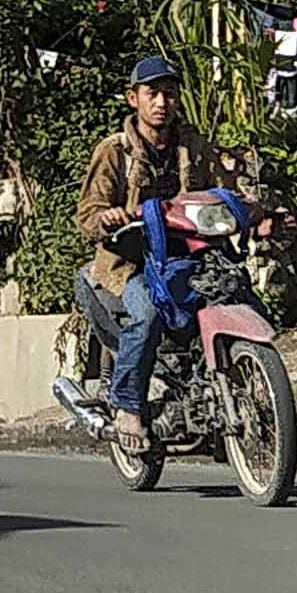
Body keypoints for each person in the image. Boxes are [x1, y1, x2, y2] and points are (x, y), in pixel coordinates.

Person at [73, 55, 217, 454]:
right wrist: (109, 216)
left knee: (232, 295)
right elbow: (87, 215)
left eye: (169, 94)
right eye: (152, 93)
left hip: (187, 257)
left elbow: (226, 187)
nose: (161, 103)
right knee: (148, 313)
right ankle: (127, 406)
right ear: (132, 98)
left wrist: (258, 213)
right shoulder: (114, 151)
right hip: (130, 263)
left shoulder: (194, 146)